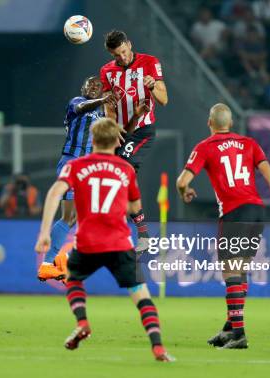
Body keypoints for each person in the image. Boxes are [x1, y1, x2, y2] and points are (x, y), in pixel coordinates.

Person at [35, 118, 174, 362]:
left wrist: (45, 232)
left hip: (88, 241)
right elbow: (135, 206)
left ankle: (83, 322)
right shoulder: (126, 169)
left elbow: (55, 192)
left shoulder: (76, 166)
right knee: (140, 294)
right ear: (116, 141)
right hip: (119, 242)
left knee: (72, 278)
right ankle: (158, 348)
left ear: (93, 140)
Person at [176, 103, 270, 349]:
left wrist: (184, 191)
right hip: (257, 211)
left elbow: (182, 180)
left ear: (210, 122)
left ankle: (239, 334)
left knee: (231, 271)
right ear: (230, 123)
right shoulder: (249, 143)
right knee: (240, 272)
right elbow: (269, 173)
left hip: (234, 212)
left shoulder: (205, 147)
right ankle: (230, 328)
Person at [37, 76, 116, 281]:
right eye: (89, 84)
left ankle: (60, 260)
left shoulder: (101, 114)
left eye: (97, 86)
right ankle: (48, 263)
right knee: (69, 216)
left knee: (81, 217)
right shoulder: (76, 103)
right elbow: (82, 107)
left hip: (88, 169)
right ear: (83, 88)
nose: (93, 87)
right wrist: (103, 99)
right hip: (72, 163)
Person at [100, 30, 168, 253]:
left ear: (129, 44)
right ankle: (141, 233)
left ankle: (134, 232)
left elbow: (164, 99)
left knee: (123, 168)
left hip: (142, 129)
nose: (122, 58)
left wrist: (151, 86)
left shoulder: (149, 62)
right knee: (115, 177)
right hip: (121, 133)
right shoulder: (107, 72)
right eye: (117, 55)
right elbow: (109, 106)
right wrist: (112, 127)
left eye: (124, 52)